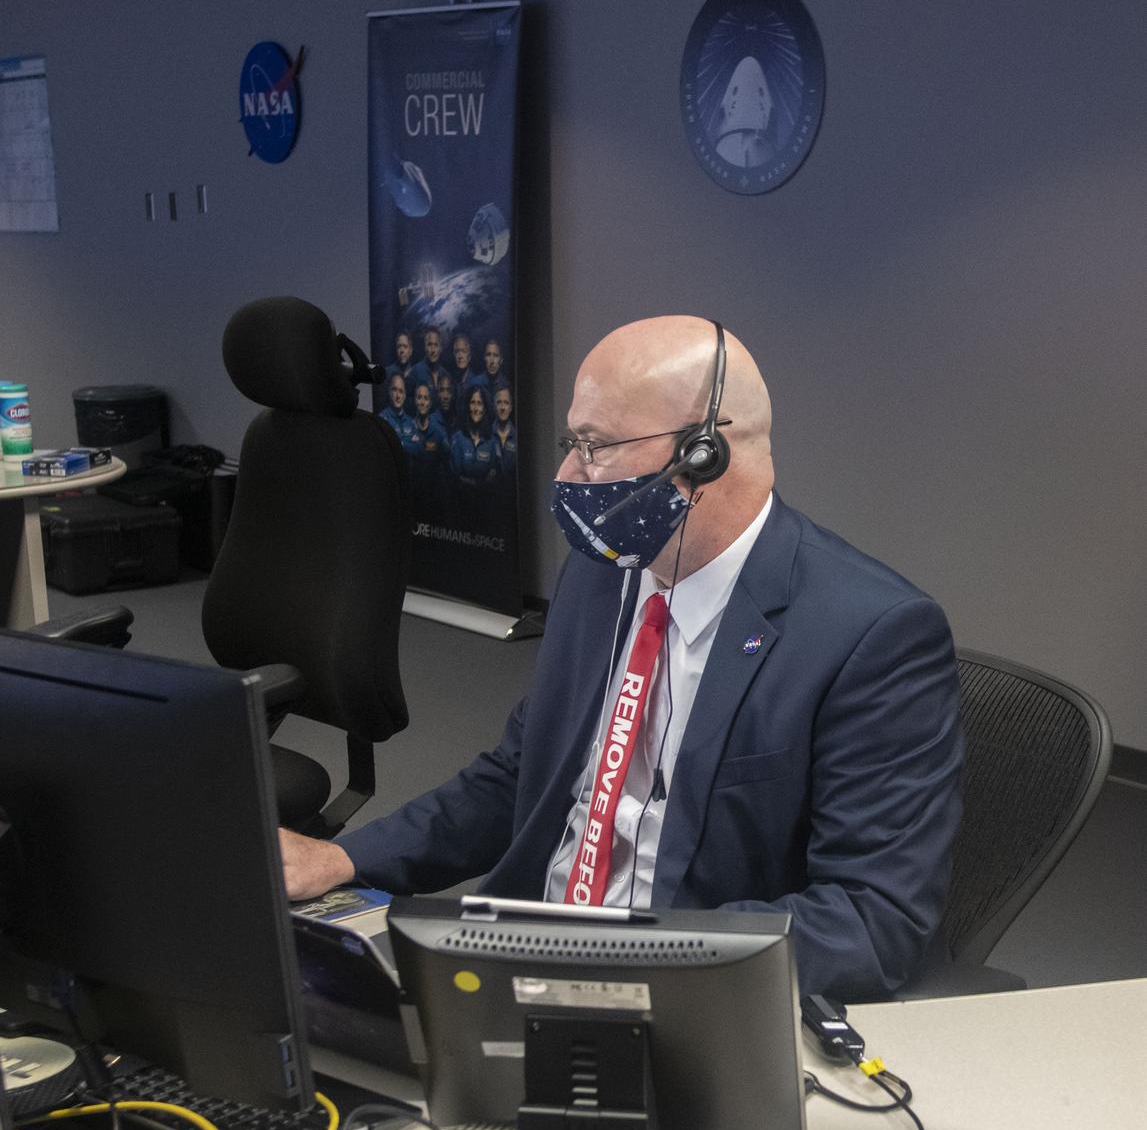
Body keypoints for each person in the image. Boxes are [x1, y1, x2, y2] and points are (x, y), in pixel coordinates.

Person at [281, 315, 963, 1000]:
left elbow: (869, 920)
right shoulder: (603, 572)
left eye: (595, 446)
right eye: (571, 444)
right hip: (521, 956)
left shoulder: (872, 634)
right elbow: (520, 775)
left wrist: (622, 965)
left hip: (682, 991)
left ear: (704, 455)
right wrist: (342, 858)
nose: (567, 474)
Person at [378, 371, 416, 446]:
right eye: (394, 390)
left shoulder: (411, 422)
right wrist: (408, 442)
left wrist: (399, 443)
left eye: (401, 391)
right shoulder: (381, 420)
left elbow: (418, 448)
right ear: (389, 391)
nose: (398, 396)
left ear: (405, 395)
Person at [492, 385, 517, 480]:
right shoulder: (486, 435)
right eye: (499, 402)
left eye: (506, 403)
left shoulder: (517, 437)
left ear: (511, 408)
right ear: (494, 406)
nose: (502, 408)